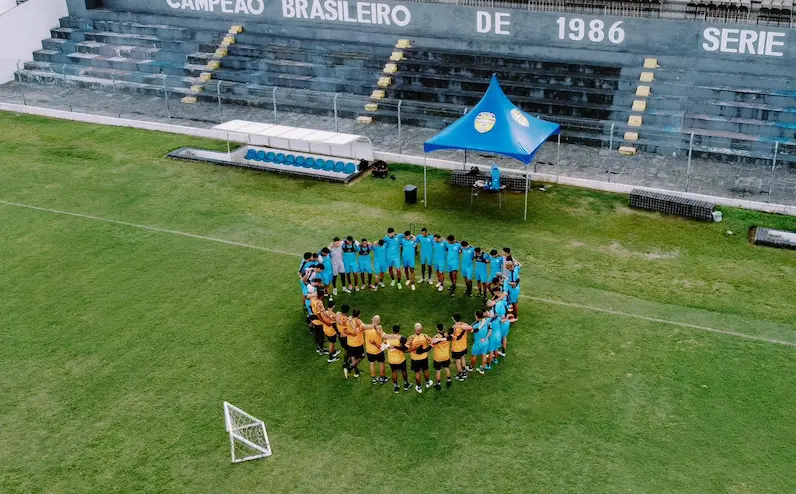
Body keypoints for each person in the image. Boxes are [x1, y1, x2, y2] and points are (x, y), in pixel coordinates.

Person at [383, 325, 411, 393]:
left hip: (391, 360)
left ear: (392, 330)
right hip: (400, 359)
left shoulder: (387, 338)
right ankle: (406, 384)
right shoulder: (400, 339)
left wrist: (388, 346)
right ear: (399, 330)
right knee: (403, 371)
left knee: (394, 372)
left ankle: (396, 387)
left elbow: (383, 347)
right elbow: (405, 348)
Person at [406, 323, 434, 393]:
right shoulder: (425, 336)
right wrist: (426, 349)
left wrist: (413, 350)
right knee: (425, 370)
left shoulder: (411, 338)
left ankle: (419, 387)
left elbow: (406, 349)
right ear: (421, 329)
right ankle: (428, 383)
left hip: (415, 359)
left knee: (417, 373)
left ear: (415, 329)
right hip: (424, 357)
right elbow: (432, 342)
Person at [363, 315, 388, 384]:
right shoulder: (379, 328)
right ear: (379, 321)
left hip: (369, 351)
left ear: (372, 319)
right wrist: (385, 342)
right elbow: (384, 336)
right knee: (381, 363)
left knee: (372, 364)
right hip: (378, 350)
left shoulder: (366, 328)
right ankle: (382, 378)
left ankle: (374, 379)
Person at [430, 323, 453, 389]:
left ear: (437, 329)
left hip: (438, 357)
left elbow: (431, 343)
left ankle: (438, 384)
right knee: (447, 368)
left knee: (438, 370)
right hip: (446, 356)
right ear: (443, 328)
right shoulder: (448, 336)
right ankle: (449, 381)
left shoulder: (436, 337)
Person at [451, 313, 473, 380]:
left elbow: (454, 338)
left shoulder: (454, 328)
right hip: (464, 346)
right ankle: (464, 371)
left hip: (456, 348)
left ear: (454, 319)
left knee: (458, 361)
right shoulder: (465, 325)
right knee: (463, 357)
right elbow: (470, 329)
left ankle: (460, 375)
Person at [345, 308, 367, 378]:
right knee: (361, 356)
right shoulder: (359, 321)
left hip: (350, 342)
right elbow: (364, 328)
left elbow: (345, 330)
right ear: (359, 315)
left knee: (353, 356)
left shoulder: (348, 321)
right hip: (358, 343)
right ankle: (350, 367)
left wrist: (350, 333)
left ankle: (356, 372)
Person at [336, 304, 352, 377]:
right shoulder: (345, 319)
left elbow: (338, 321)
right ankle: (346, 362)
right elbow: (347, 328)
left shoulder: (337, 314)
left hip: (340, 335)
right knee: (348, 349)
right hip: (345, 336)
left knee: (346, 349)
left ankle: (346, 361)